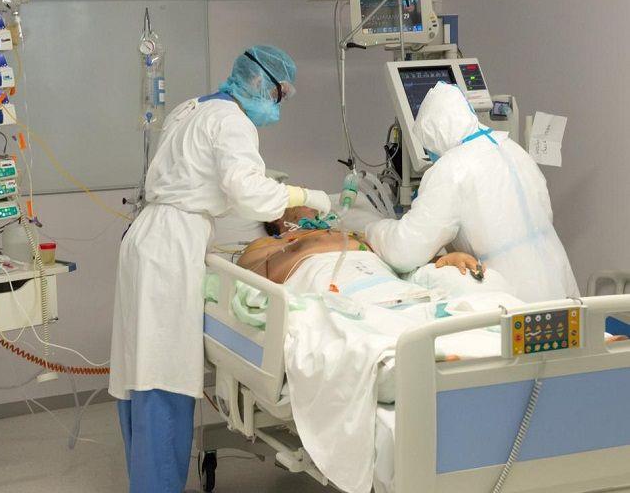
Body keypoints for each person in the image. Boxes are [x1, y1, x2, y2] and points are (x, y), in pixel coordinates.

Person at [109, 45, 332, 493]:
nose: (277, 106)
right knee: (162, 375)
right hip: (171, 248)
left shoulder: (191, 108)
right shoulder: (232, 122)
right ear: (261, 84)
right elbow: (248, 192)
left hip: (147, 238)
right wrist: (305, 196)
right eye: (278, 95)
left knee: (140, 372)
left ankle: (147, 481)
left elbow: (208, 183)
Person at [367, 82, 579, 302]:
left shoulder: (452, 168)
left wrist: (372, 229)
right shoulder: (514, 150)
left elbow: (405, 251)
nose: (431, 156)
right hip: (563, 291)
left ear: (433, 135)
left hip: (515, 300)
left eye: (429, 149)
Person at [239, 206, 481, 284]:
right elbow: (247, 279)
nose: (313, 204)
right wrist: (298, 246)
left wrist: (445, 260)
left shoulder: (349, 234)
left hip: (382, 284)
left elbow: (403, 259)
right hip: (327, 289)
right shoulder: (268, 244)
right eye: (301, 199)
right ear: (276, 216)